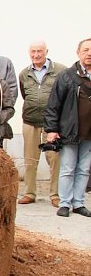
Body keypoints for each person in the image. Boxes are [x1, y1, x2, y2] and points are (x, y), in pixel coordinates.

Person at [43, 38, 91, 218]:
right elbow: (54, 104)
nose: (89, 54)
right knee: (68, 168)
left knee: (84, 169)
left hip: (89, 133)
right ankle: (65, 203)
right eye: (85, 50)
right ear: (78, 52)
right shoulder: (67, 76)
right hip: (70, 130)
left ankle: (78, 203)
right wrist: (51, 129)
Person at [18, 41, 66, 207]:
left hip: (52, 124)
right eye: (33, 51)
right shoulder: (24, 73)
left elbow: (64, 95)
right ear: (29, 53)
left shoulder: (60, 70)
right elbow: (25, 94)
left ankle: (56, 195)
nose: (36, 54)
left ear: (46, 51)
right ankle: (29, 193)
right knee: (30, 158)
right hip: (30, 121)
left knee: (54, 158)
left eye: (39, 51)